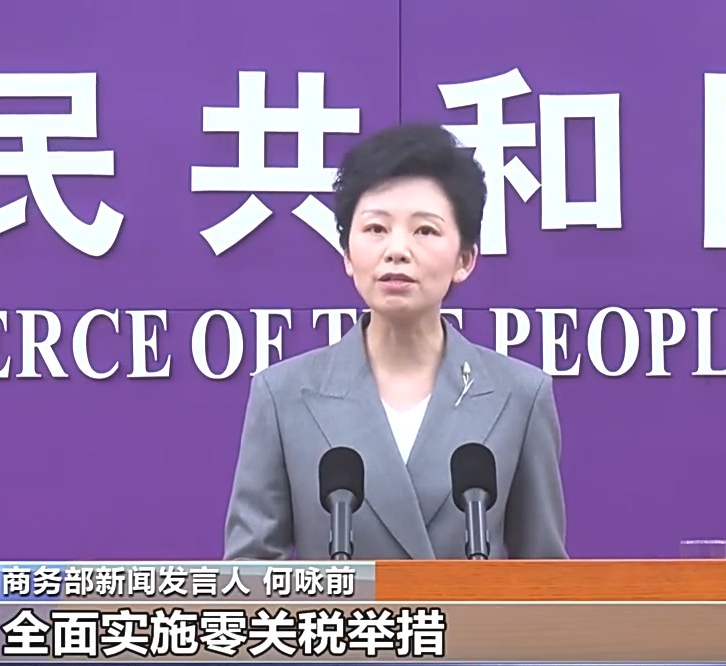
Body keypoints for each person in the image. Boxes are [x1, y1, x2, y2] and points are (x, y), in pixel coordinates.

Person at [222, 123, 568, 560]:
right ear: (347, 255)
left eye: (425, 230)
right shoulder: (282, 395)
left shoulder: (520, 396)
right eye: (376, 228)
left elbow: (543, 577)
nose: (397, 250)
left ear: (464, 259)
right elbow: (250, 576)